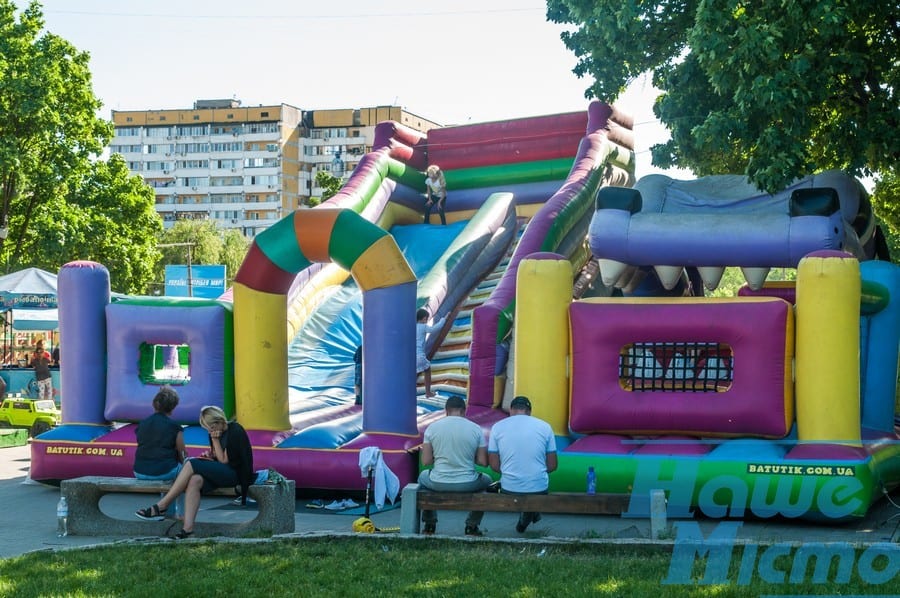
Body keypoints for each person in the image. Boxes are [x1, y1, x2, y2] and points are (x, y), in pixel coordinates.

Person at [135, 405, 254, 539]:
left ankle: (162, 506)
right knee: (194, 480)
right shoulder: (216, 433)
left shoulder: (235, 431)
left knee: (191, 462)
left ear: (219, 421)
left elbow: (224, 460)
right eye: (207, 429)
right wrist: (209, 456)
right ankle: (188, 530)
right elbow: (217, 456)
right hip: (224, 471)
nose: (209, 431)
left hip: (237, 475)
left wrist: (215, 442)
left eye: (211, 427)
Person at [417, 396, 492, 536]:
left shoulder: (432, 428)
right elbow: (483, 462)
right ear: (464, 411)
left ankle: (429, 524)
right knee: (487, 481)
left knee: (422, 478)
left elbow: (426, 461)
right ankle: (472, 525)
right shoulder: (476, 429)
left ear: (446, 411)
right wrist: (470, 456)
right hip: (468, 482)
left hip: (438, 481)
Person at [488, 395, 558, 533]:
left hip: (509, 486)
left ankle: (527, 517)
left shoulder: (497, 427)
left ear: (511, 410)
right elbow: (552, 465)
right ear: (529, 411)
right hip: (538, 486)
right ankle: (528, 516)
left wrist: (513, 471)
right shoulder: (545, 427)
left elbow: (494, 466)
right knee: (534, 489)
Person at [133, 386, 186, 518]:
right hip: (163, 471)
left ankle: (167, 512)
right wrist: (185, 464)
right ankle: (182, 514)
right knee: (184, 474)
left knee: (169, 470)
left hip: (139, 471)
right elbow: (182, 453)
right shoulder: (174, 426)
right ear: (173, 407)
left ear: (154, 405)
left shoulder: (142, 424)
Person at [416, 308, 446, 398]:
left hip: (412, 356)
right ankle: (428, 392)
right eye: (426, 319)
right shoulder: (423, 326)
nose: (426, 321)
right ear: (424, 318)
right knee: (427, 370)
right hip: (420, 355)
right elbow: (434, 329)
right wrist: (443, 319)